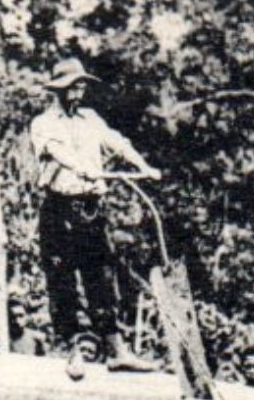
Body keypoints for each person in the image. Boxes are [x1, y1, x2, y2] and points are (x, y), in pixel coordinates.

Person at [29, 57, 161, 371]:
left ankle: (117, 351)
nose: (78, 92)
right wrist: (81, 166)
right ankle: (72, 350)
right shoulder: (43, 123)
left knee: (101, 277)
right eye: (72, 87)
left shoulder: (90, 119)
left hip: (91, 208)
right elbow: (55, 152)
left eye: (81, 86)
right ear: (58, 90)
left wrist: (143, 166)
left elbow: (117, 142)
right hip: (60, 209)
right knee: (63, 280)